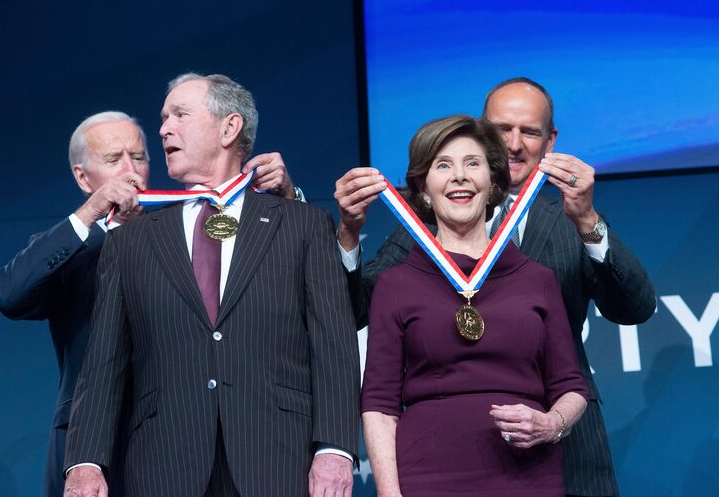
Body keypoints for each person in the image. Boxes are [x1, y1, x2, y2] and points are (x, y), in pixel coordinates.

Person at [336, 78, 657, 496]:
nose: (515, 144)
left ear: (550, 140)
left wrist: (588, 222)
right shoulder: (421, 234)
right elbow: (354, 308)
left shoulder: (568, 222)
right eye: (503, 129)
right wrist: (346, 236)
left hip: (565, 458)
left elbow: (635, 307)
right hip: (438, 466)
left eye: (530, 132)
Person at [63, 73, 360, 497]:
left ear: (229, 127)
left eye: (180, 114)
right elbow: (103, 365)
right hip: (164, 464)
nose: (164, 128)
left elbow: (334, 347)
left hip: (278, 461)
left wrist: (334, 449)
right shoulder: (131, 240)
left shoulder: (302, 224)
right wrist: (85, 462)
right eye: (163, 118)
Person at [0, 111, 299, 496]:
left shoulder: (188, 230)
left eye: (138, 157)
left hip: (179, 445)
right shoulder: (71, 249)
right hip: (91, 454)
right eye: (112, 160)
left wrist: (288, 197)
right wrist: (91, 214)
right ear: (83, 178)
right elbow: (9, 295)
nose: (129, 169)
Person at [361, 115, 589, 495]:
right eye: (443, 165)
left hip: (529, 478)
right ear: (422, 187)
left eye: (473, 163)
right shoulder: (395, 284)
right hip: (428, 479)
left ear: (494, 181)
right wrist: (389, 492)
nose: (460, 176)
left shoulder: (538, 280)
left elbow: (571, 386)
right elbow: (380, 405)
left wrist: (552, 424)